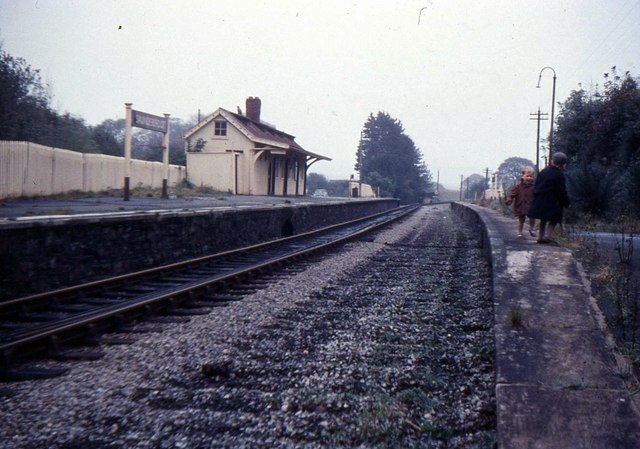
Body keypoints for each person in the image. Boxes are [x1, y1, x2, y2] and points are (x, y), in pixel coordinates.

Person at [527, 152, 571, 244]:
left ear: (552, 162)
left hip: (540, 199)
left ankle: (540, 237)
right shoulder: (559, 175)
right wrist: (566, 202)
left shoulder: (543, 172)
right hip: (552, 201)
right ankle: (547, 236)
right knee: (554, 218)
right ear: (562, 165)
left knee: (543, 218)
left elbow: (536, 185)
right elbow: (561, 190)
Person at [505, 166, 536, 239]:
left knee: (532, 217)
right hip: (521, 205)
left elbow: (537, 194)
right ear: (523, 176)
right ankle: (519, 233)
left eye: (531, 176)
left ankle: (531, 228)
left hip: (531, 205)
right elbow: (512, 194)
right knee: (521, 220)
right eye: (527, 176)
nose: (529, 178)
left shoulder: (534, 186)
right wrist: (509, 199)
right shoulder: (518, 186)